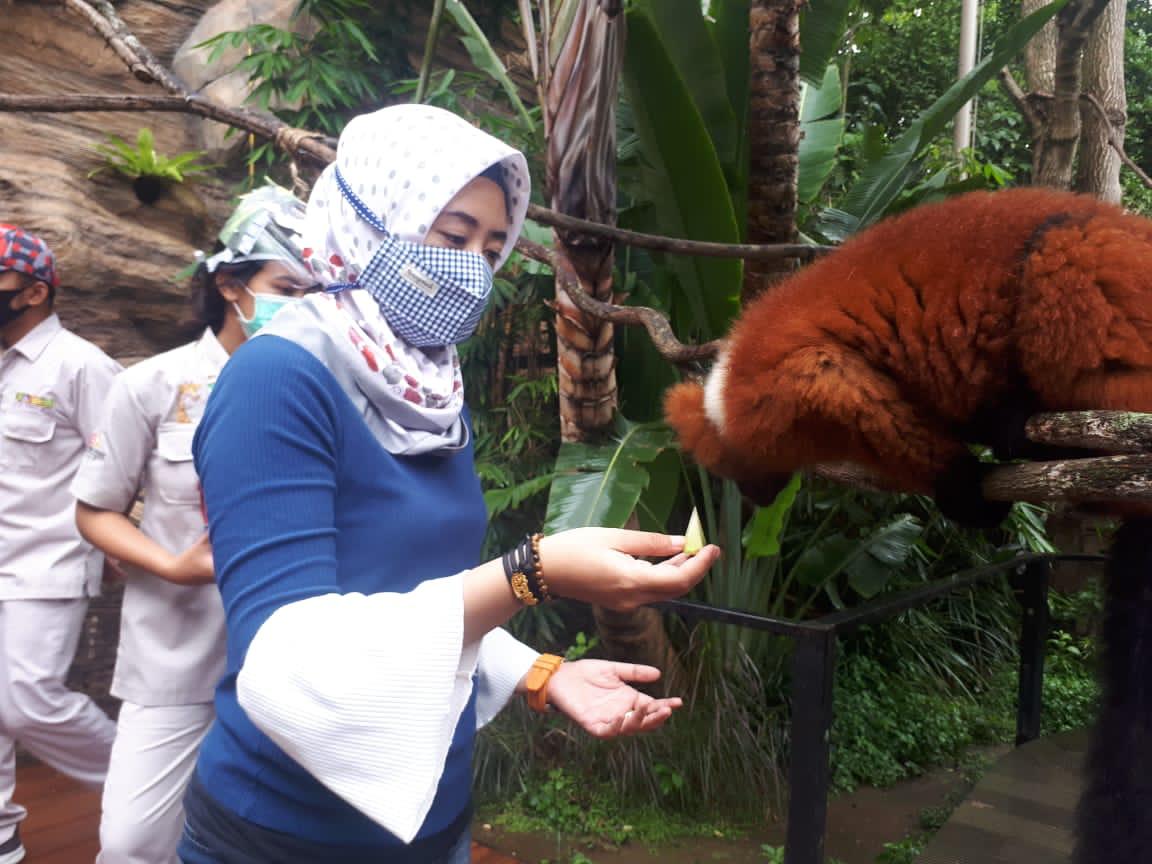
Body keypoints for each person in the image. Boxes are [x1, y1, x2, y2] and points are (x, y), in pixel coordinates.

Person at [176, 104, 720, 864]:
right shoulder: (277, 379)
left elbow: (411, 593)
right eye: (453, 233)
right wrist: (535, 572)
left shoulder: (425, 384)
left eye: (494, 245)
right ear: (373, 216)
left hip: (436, 817)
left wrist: (539, 671)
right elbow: (288, 657)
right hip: (286, 833)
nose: (476, 264)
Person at [70, 186, 318, 864]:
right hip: (176, 655)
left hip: (293, 658)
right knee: (131, 844)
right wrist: (169, 564)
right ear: (231, 282)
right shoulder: (152, 386)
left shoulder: (327, 390)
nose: (302, 306)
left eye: (315, 291)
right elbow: (94, 510)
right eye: (287, 287)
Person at [0, 224, 122, 864]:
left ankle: (144, 785)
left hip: (45, 565)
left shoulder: (80, 365)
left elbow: (123, 463)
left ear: (34, 292)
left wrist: (117, 548)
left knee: (27, 702)